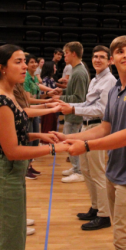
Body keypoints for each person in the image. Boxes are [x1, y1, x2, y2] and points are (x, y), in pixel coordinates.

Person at [52, 35, 126, 250]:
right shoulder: (116, 89)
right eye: (120, 51)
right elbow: (105, 127)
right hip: (116, 171)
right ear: (114, 59)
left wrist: (85, 146)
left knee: (123, 239)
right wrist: (70, 137)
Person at [0, 44, 66, 250]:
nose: (24, 66)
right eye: (17, 62)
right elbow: (12, 151)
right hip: (4, 175)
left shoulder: (9, 94)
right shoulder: (0, 99)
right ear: (2, 67)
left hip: (11, 175)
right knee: (7, 246)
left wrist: (38, 134)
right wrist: (55, 148)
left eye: (24, 61)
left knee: (15, 240)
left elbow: (18, 124)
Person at [59, 45, 117, 230]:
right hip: (86, 126)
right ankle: (95, 207)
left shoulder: (109, 81)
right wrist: (68, 103)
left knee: (98, 173)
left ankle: (105, 215)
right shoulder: (95, 79)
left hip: (97, 127)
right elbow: (88, 102)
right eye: (95, 56)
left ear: (110, 61)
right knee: (86, 170)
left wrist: (74, 108)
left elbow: (102, 109)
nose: (97, 59)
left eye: (102, 57)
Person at [53, 42, 89, 183]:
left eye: (66, 53)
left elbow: (79, 98)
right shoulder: (75, 70)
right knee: (69, 140)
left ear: (74, 53)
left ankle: (79, 171)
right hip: (72, 112)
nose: (64, 56)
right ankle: (75, 168)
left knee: (71, 141)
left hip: (75, 114)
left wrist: (60, 98)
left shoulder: (79, 72)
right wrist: (62, 91)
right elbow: (73, 93)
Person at [40, 61, 59, 134]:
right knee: (48, 127)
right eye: (54, 67)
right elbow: (42, 95)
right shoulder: (46, 79)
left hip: (53, 104)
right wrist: (49, 94)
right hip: (48, 105)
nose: (55, 69)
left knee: (53, 126)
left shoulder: (52, 79)